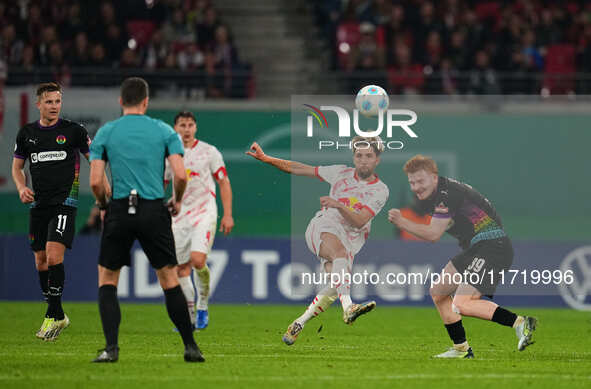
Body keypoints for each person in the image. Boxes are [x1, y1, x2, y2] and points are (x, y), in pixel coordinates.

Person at [89, 77, 204, 363]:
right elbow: (180, 175)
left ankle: (111, 349)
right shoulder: (164, 130)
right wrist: (176, 200)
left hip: (118, 209)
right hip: (153, 209)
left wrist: (104, 205)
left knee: (108, 279)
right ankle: (190, 346)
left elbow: (94, 181)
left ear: (120, 101)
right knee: (168, 278)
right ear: (146, 102)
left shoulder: (106, 132)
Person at [388, 155, 537, 358]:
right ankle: (461, 349)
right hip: (477, 247)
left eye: (420, 181)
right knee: (439, 291)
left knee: (462, 303)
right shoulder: (438, 194)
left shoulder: (446, 194)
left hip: (492, 246)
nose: (416, 187)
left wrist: (402, 222)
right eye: (412, 182)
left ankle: (521, 322)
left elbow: (433, 235)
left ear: (434, 177)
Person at [246, 136, 389, 345]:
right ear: (353, 158)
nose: (363, 160)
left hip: (350, 240)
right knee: (339, 259)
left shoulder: (380, 190)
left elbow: (360, 221)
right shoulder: (340, 173)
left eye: (369, 156)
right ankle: (349, 307)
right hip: (322, 228)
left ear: (377, 160)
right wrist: (268, 159)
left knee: (335, 287)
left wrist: (339, 204)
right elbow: (300, 169)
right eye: (359, 155)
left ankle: (299, 323)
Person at [11, 82, 110, 341]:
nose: (54, 106)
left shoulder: (74, 131)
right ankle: (58, 314)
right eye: (49, 102)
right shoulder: (26, 134)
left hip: (66, 202)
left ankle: (51, 317)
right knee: (40, 261)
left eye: (57, 101)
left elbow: (95, 162)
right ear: (39, 104)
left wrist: (104, 202)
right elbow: (17, 168)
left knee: (55, 257)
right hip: (38, 205)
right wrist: (22, 187)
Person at [164, 111, 234, 329]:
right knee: (179, 270)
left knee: (197, 260)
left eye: (190, 125)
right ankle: (190, 316)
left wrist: (228, 214)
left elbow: (223, 182)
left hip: (205, 212)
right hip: (180, 216)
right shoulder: (168, 155)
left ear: (196, 127)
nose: (186, 129)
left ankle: (203, 304)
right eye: (182, 125)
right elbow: (162, 184)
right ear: (174, 127)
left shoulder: (209, 152)